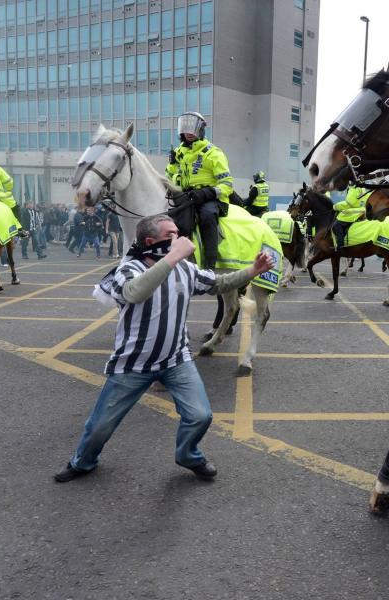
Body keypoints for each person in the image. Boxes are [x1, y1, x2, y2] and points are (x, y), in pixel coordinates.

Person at [54, 213, 276, 483]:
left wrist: (252, 271)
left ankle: (188, 455)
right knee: (100, 425)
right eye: (171, 235)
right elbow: (135, 292)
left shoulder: (186, 269)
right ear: (151, 241)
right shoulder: (129, 268)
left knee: (200, 415)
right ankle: (83, 462)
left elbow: (219, 283)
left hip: (176, 359)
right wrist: (173, 257)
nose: (180, 238)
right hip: (133, 364)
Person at [167, 111, 235, 269]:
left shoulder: (214, 153)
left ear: (201, 130)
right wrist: (172, 165)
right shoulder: (179, 153)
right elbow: (170, 177)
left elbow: (227, 184)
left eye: (193, 129)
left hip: (212, 199)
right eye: (186, 129)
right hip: (188, 196)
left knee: (207, 216)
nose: (189, 133)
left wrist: (207, 193)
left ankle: (209, 265)